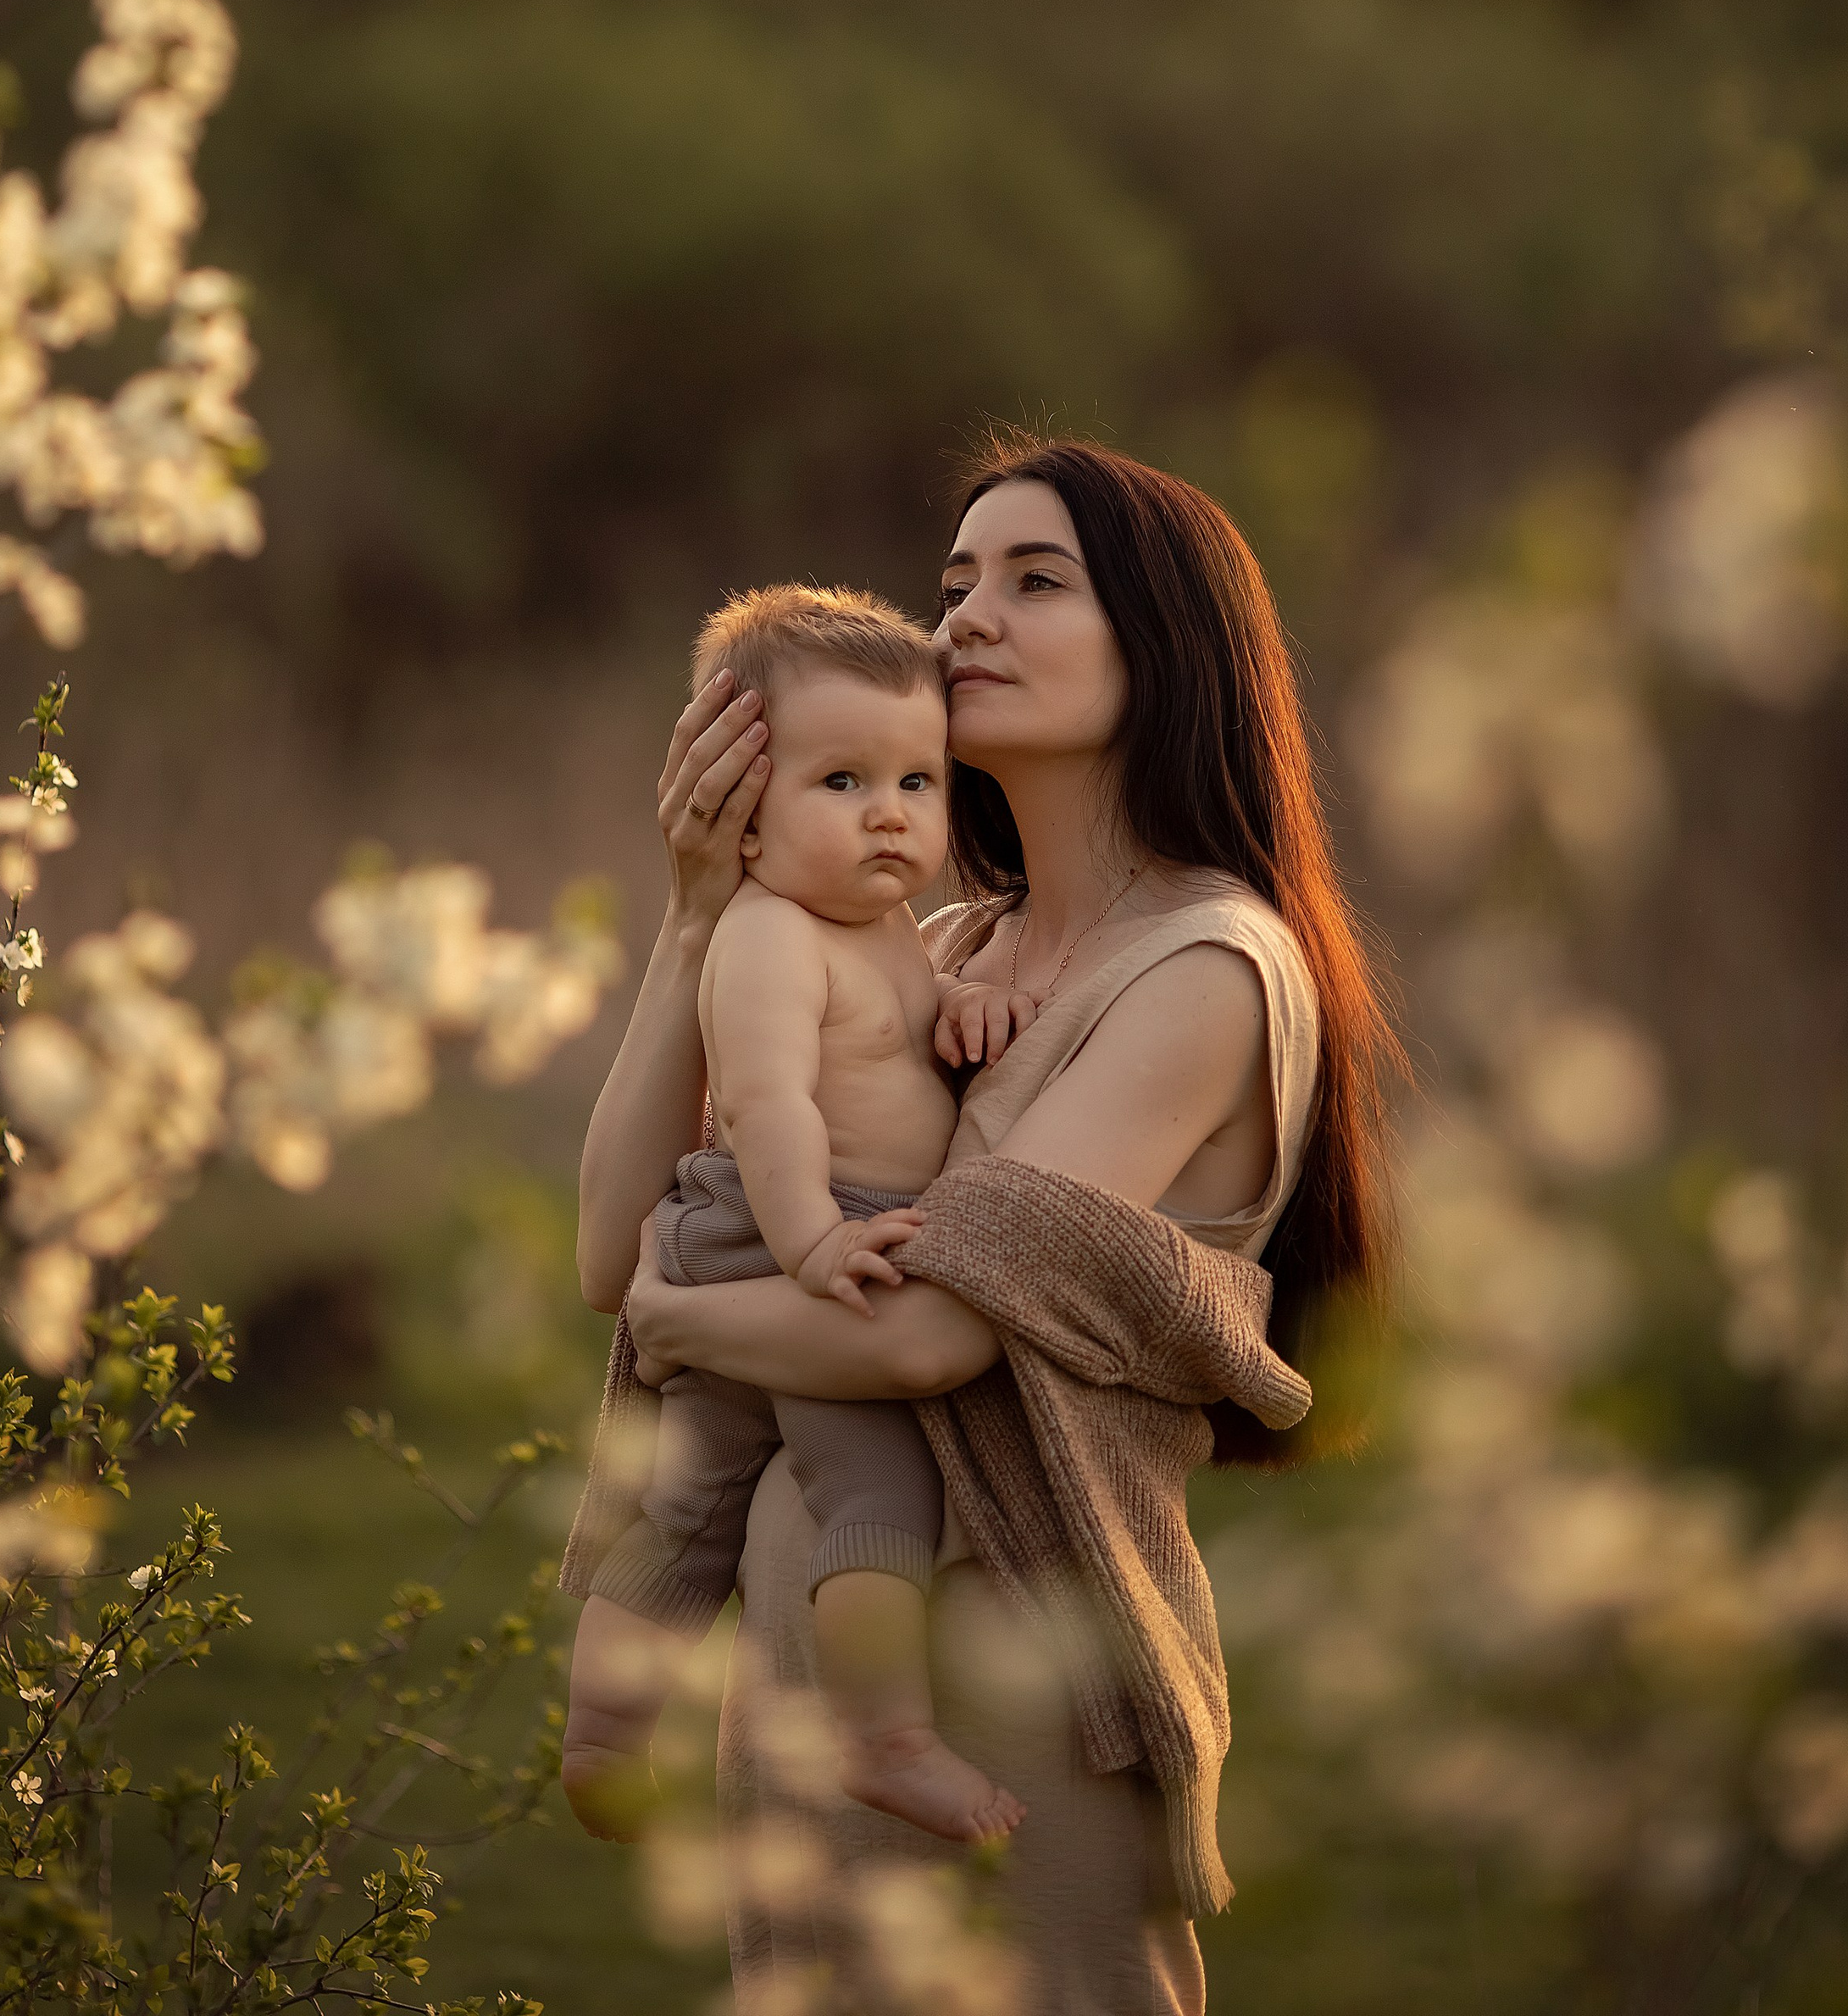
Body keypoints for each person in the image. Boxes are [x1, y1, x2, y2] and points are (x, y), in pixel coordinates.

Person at [575, 436, 1401, 2016]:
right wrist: (693, 922)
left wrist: (680, 1327)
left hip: (1019, 1693)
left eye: (1035, 581)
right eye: (953, 582)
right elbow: (612, 1245)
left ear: (1164, 645)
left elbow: (931, 1327)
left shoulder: (1206, 966)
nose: (967, 619)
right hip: (813, 1666)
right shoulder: (925, 949)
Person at [563, 583, 1028, 1843]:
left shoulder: (885, 932)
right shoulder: (768, 934)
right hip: (787, 1232)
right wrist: (816, 1241)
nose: (887, 815)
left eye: (916, 784)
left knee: (690, 1506)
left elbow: (899, 1044)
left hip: (806, 1235)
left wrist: (961, 1015)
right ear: (741, 821)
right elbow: (764, 1106)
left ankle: (604, 1737)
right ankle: (887, 1736)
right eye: (839, 783)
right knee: (878, 1489)